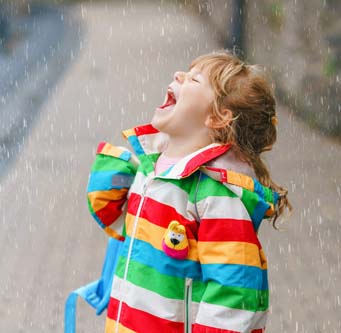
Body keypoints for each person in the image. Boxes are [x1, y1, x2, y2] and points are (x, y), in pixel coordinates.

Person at [87, 50, 292, 333]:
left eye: (194, 79)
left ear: (218, 118)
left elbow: (234, 292)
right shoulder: (151, 171)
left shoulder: (216, 196)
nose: (178, 75)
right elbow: (133, 238)